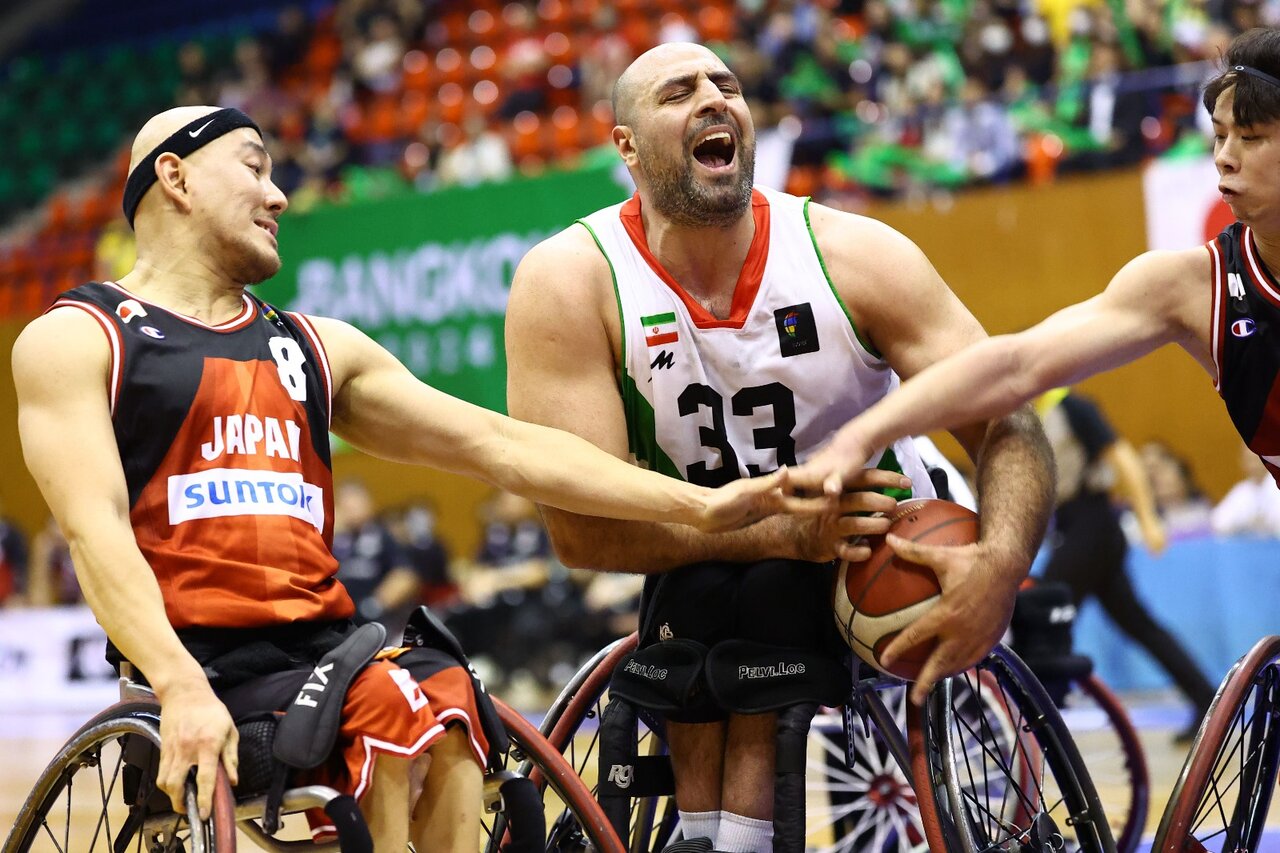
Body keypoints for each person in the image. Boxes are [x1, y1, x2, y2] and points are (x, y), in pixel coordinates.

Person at [10, 105, 815, 852]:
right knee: (392, 708)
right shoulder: (79, 339)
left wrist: (705, 506)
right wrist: (179, 684)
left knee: (449, 691)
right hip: (199, 665)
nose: (279, 195)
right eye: (254, 168)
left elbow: (503, 445)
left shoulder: (317, 346)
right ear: (175, 177)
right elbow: (93, 530)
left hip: (327, 653)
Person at [504, 42, 1054, 853]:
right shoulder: (570, 280)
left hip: (877, 538)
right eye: (679, 92)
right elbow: (580, 529)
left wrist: (1001, 564)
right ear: (627, 147)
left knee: (763, 593)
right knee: (702, 596)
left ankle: (734, 839)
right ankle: (711, 837)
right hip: (706, 547)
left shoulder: (851, 254)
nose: (714, 98)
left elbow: (1011, 424)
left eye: (727, 84)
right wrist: (777, 530)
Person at [796, 27, 1280, 505]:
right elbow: (1015, 365)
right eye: (1219, 136)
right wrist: (860, 436)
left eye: (1250, 137)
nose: (1224, 158)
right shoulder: (1195, 285)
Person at [1035, 390, 1215, 741]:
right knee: (1138, 624)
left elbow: (1122, 456)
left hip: (1093, 526)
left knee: (1042, 611)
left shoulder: (1071, 406)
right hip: (1076, 527)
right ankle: (1205, 697)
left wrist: (1147, 517)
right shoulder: (1035, 411)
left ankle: (1036, 713)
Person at [331, 477, 419, 641]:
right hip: (338, 617)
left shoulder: (382, 536)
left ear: (368, 504)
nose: (351, 510)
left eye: (356, 504)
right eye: (346, 505)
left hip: (373, 617)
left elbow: (405, 576)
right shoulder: (333, 538)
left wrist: (376, 604)